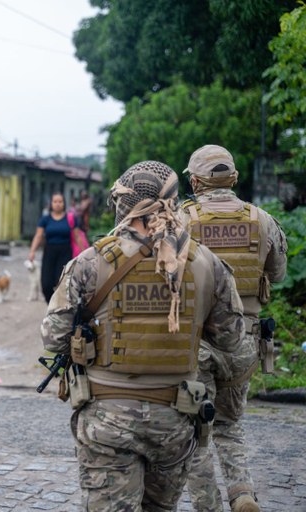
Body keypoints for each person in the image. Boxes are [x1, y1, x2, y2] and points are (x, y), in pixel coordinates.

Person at [41, 160, 245, 511]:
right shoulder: (206, 264)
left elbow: (52, 337)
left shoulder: (90, 263)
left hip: (107, 421)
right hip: (176, 420)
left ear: (122, 202)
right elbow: (232, 343)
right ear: (174, 201)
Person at [182, 145, 288, 512]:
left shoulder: (181, 221)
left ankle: (206, 506)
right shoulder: (262, 220)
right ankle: (242, 494)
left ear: (195, 182)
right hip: (245, 340)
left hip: (195, 343)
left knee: (195, 430)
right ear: (235, 179)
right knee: (230, 423)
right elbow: (277, 274)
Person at [28, 193, 73, 302]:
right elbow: (38, 236)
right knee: (46, 284)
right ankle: (51, 304)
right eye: (55, 202)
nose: (57, 204)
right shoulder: (45, 219)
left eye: (60, 202)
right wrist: (32, 251)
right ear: (51, 204)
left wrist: (83, 253)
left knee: (60, 281)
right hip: (49, 252)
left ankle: (59, 308)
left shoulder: (70, 218)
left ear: (64, 203)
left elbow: (77, 236)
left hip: (65, 252)